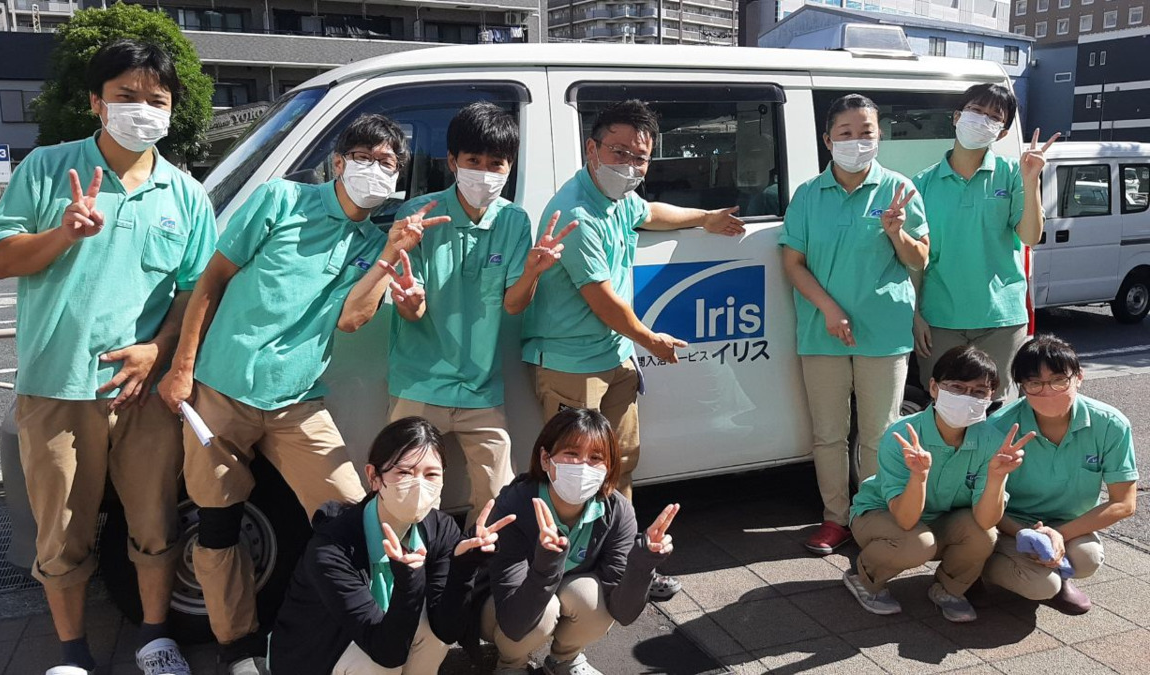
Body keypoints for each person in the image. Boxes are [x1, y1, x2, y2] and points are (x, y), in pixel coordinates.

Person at [157, 114, 450, 674]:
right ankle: (238, 648)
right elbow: (212, 280)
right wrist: (182, 368)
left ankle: (355, 629)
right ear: (338, 163)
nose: (377, 171)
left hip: (299, 401)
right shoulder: (279, 202)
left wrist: (390, 256)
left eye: (389, 164)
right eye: (365, 158)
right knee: (218, 527)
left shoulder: (372, 241)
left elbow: (351, 320)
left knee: (359, 511)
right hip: (222, 390)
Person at [0, 40, 214, 675]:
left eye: (156, 101)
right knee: (62, 529)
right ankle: (72, 654)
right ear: (96, 102)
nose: (143, 110)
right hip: (58, 385)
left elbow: (195, 291)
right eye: (127, 97)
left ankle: (156, 636)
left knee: (157, 521)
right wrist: (62, 233)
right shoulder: (49, 169)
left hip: (142, 391)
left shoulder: (187, 195)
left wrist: (157, 351)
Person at [520, 99, 741, 598]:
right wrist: (650, 340)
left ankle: (622, 564)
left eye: (640, 157)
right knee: (571, 473)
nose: (630, 166)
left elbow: (652, 213)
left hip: (613, 358)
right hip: (572, 364)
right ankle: (560, 573)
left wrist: (703, 217)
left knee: (618, 466)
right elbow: (601, 299)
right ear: (591, 149)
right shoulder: (575, 213)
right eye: (618, 152)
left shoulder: (616, 200)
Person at [384, 101, 576, 525]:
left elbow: (512, 304)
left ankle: (475, 580)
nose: (485, 173)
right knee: (408, 500)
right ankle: (415, 580)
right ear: (452, 161)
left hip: (480, 388)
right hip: (419, 384)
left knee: (496, 500)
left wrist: (531, 272)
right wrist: (410, 304)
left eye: (496, 163)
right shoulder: (418, 217)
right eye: (474, 160)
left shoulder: (514, 221)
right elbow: (407, 303)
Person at [779, 93, 930, 556]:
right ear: (828, 140)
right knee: (828, 433)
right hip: (821, 331)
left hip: (882, 332)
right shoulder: (808, 194)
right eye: (845, 133)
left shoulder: (899, 189)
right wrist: (828, 308)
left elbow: (920, 258)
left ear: (879, 136)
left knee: (879, 432)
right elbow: (793, 261)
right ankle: (834, 518)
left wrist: (896, 231)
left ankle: (870, 515)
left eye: (866, 132)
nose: (856, 142)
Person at [269, 416, 516, 674]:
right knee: (377, 665)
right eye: (404, 473)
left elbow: (446, 630)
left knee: (431, 631)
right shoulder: (332, 549)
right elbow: (387, 653)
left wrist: (464, 566)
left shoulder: (440, 528)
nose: (419, 485)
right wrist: (410, 581)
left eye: (431, 474)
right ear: (374, 477)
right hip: (316, 655)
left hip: (381, 639)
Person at [482, 408, 679, 675]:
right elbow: (514, 622)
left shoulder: (617, 511)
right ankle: (510, 665)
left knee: (590, 595)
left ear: (608, 468)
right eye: (571, 454)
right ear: (545, 458)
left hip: (549, 598)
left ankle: (565, 659)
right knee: (544, 610)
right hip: (500, 610)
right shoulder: (513, 506)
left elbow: (623, 613)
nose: (583, 466)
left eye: (596, 458)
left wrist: (642, 562)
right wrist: (547, 561)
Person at [844, 347, 1031, 622]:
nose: (967, 397)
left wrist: (996, 477)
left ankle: (948, 589)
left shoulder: (991, 441)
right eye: (956, 387)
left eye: (979, 391)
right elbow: (906, 520)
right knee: (917, 542)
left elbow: (986, 519)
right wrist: (919, 476)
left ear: (991, 396)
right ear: (933, 387)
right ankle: (864, 577)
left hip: (940, 518)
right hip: (881, 516)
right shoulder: (903, 435)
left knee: (984, 535)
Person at [912, 83, 1059, 401]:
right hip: (939, 318)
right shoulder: (921, 184)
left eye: (994, 116)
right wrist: (915, 315)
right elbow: (914, 257)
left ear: (1002, 133)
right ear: (956, 117)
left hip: (1000, 319)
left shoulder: (1011, 174)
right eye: (976, 110)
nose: (982, 120)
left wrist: (1032, 179)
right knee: (944, 407)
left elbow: (1030, 236)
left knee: (994, 410)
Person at [983, 335, 1139, 614]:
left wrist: (1056, 534)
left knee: (1089, 558)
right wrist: (1025, 533)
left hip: (1068, 524)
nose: (1048, 392)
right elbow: (980, 499)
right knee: (1041, 586)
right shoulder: (999, 426)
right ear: (1022, 387)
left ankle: (1055, 571)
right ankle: (977, 571)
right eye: (1034, 383)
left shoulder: (1110, 424)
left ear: (1079, 378)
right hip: (1009, 524)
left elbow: (1124, 503)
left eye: (1059, 380)